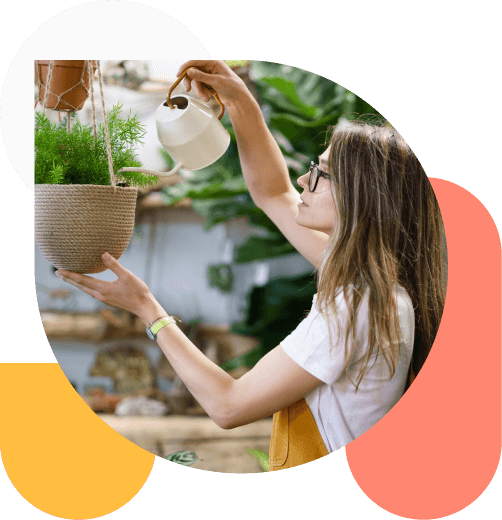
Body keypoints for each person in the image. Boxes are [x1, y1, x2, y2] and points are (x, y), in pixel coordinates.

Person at [56, 61, 447, 470]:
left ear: (362, 195)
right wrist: (241, 101)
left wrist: (148, 309)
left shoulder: (357, 304)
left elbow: (227, 405)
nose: (304, 181)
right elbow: (273, 192)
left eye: (322, 173)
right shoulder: (381, 282)